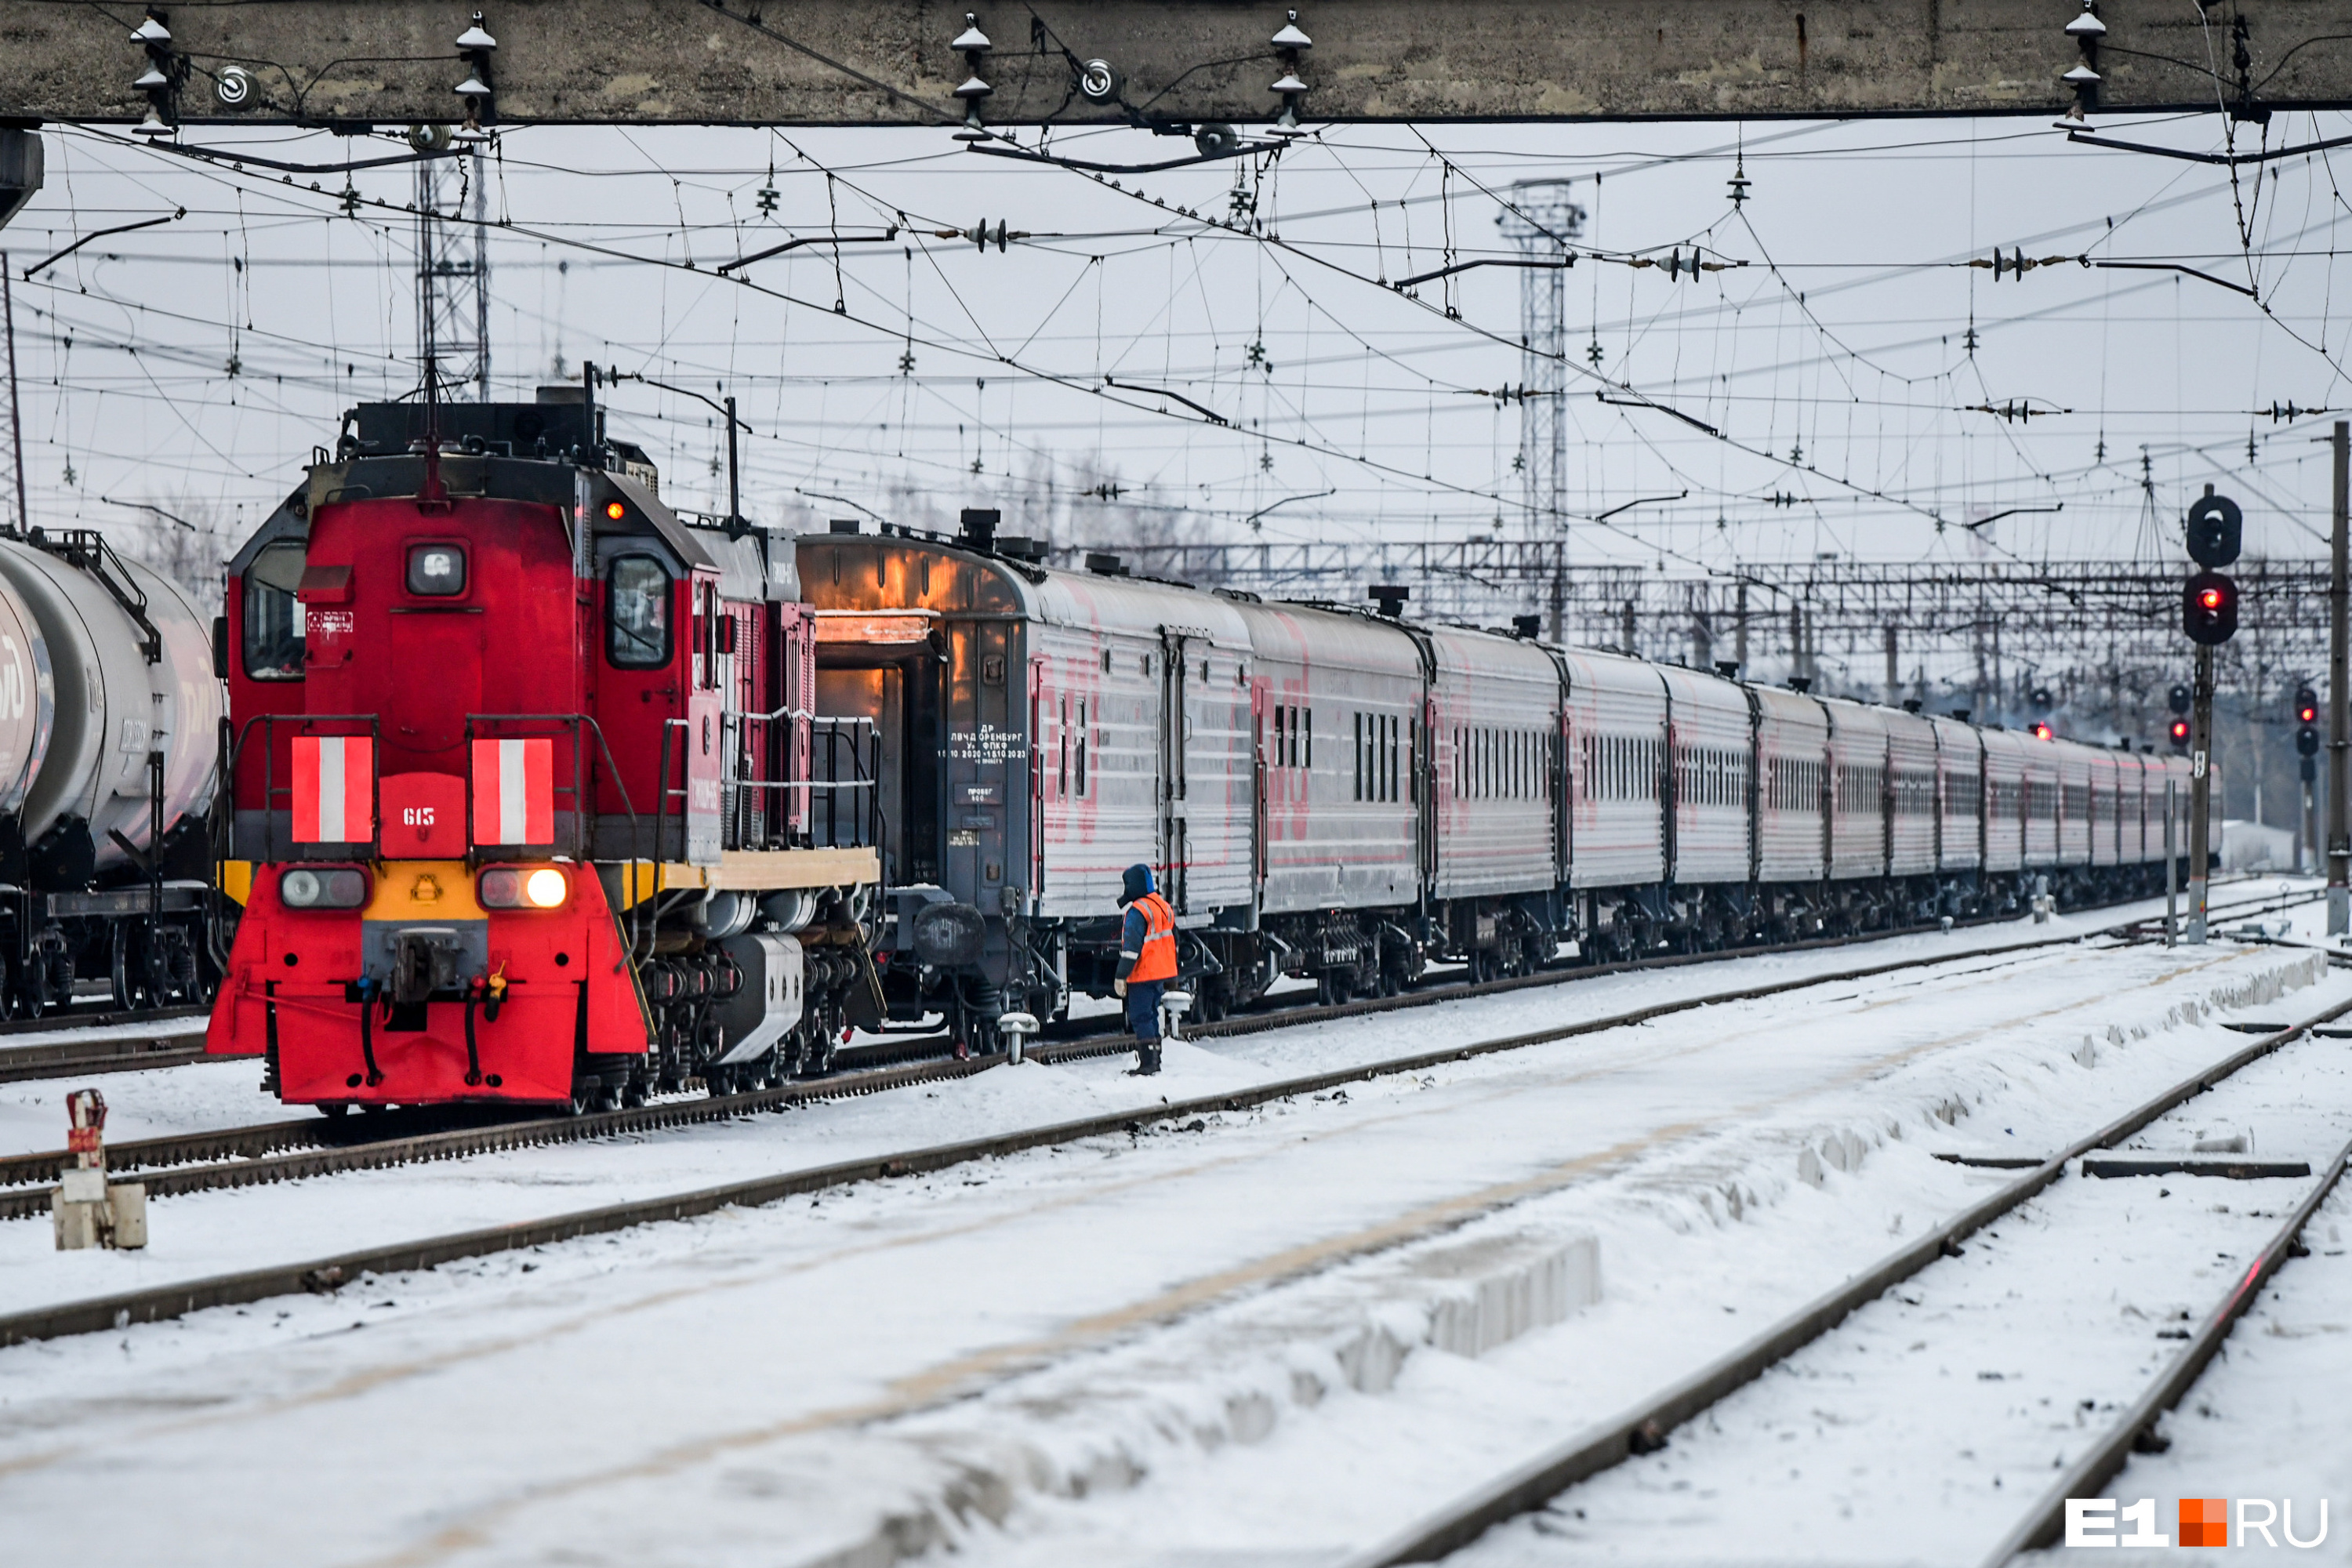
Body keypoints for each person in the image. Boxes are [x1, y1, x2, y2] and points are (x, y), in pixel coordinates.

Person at [1114, 862, 1177, 1075]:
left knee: (1141, 1016)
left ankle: (1148, 1063)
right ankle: (1155, 1059)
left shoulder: (1137, 911)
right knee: (1152, 1015)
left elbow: (1131, 949)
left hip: (1143, 973)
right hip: (1161, 972)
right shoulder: (1162, 906)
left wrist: (1121, 976)